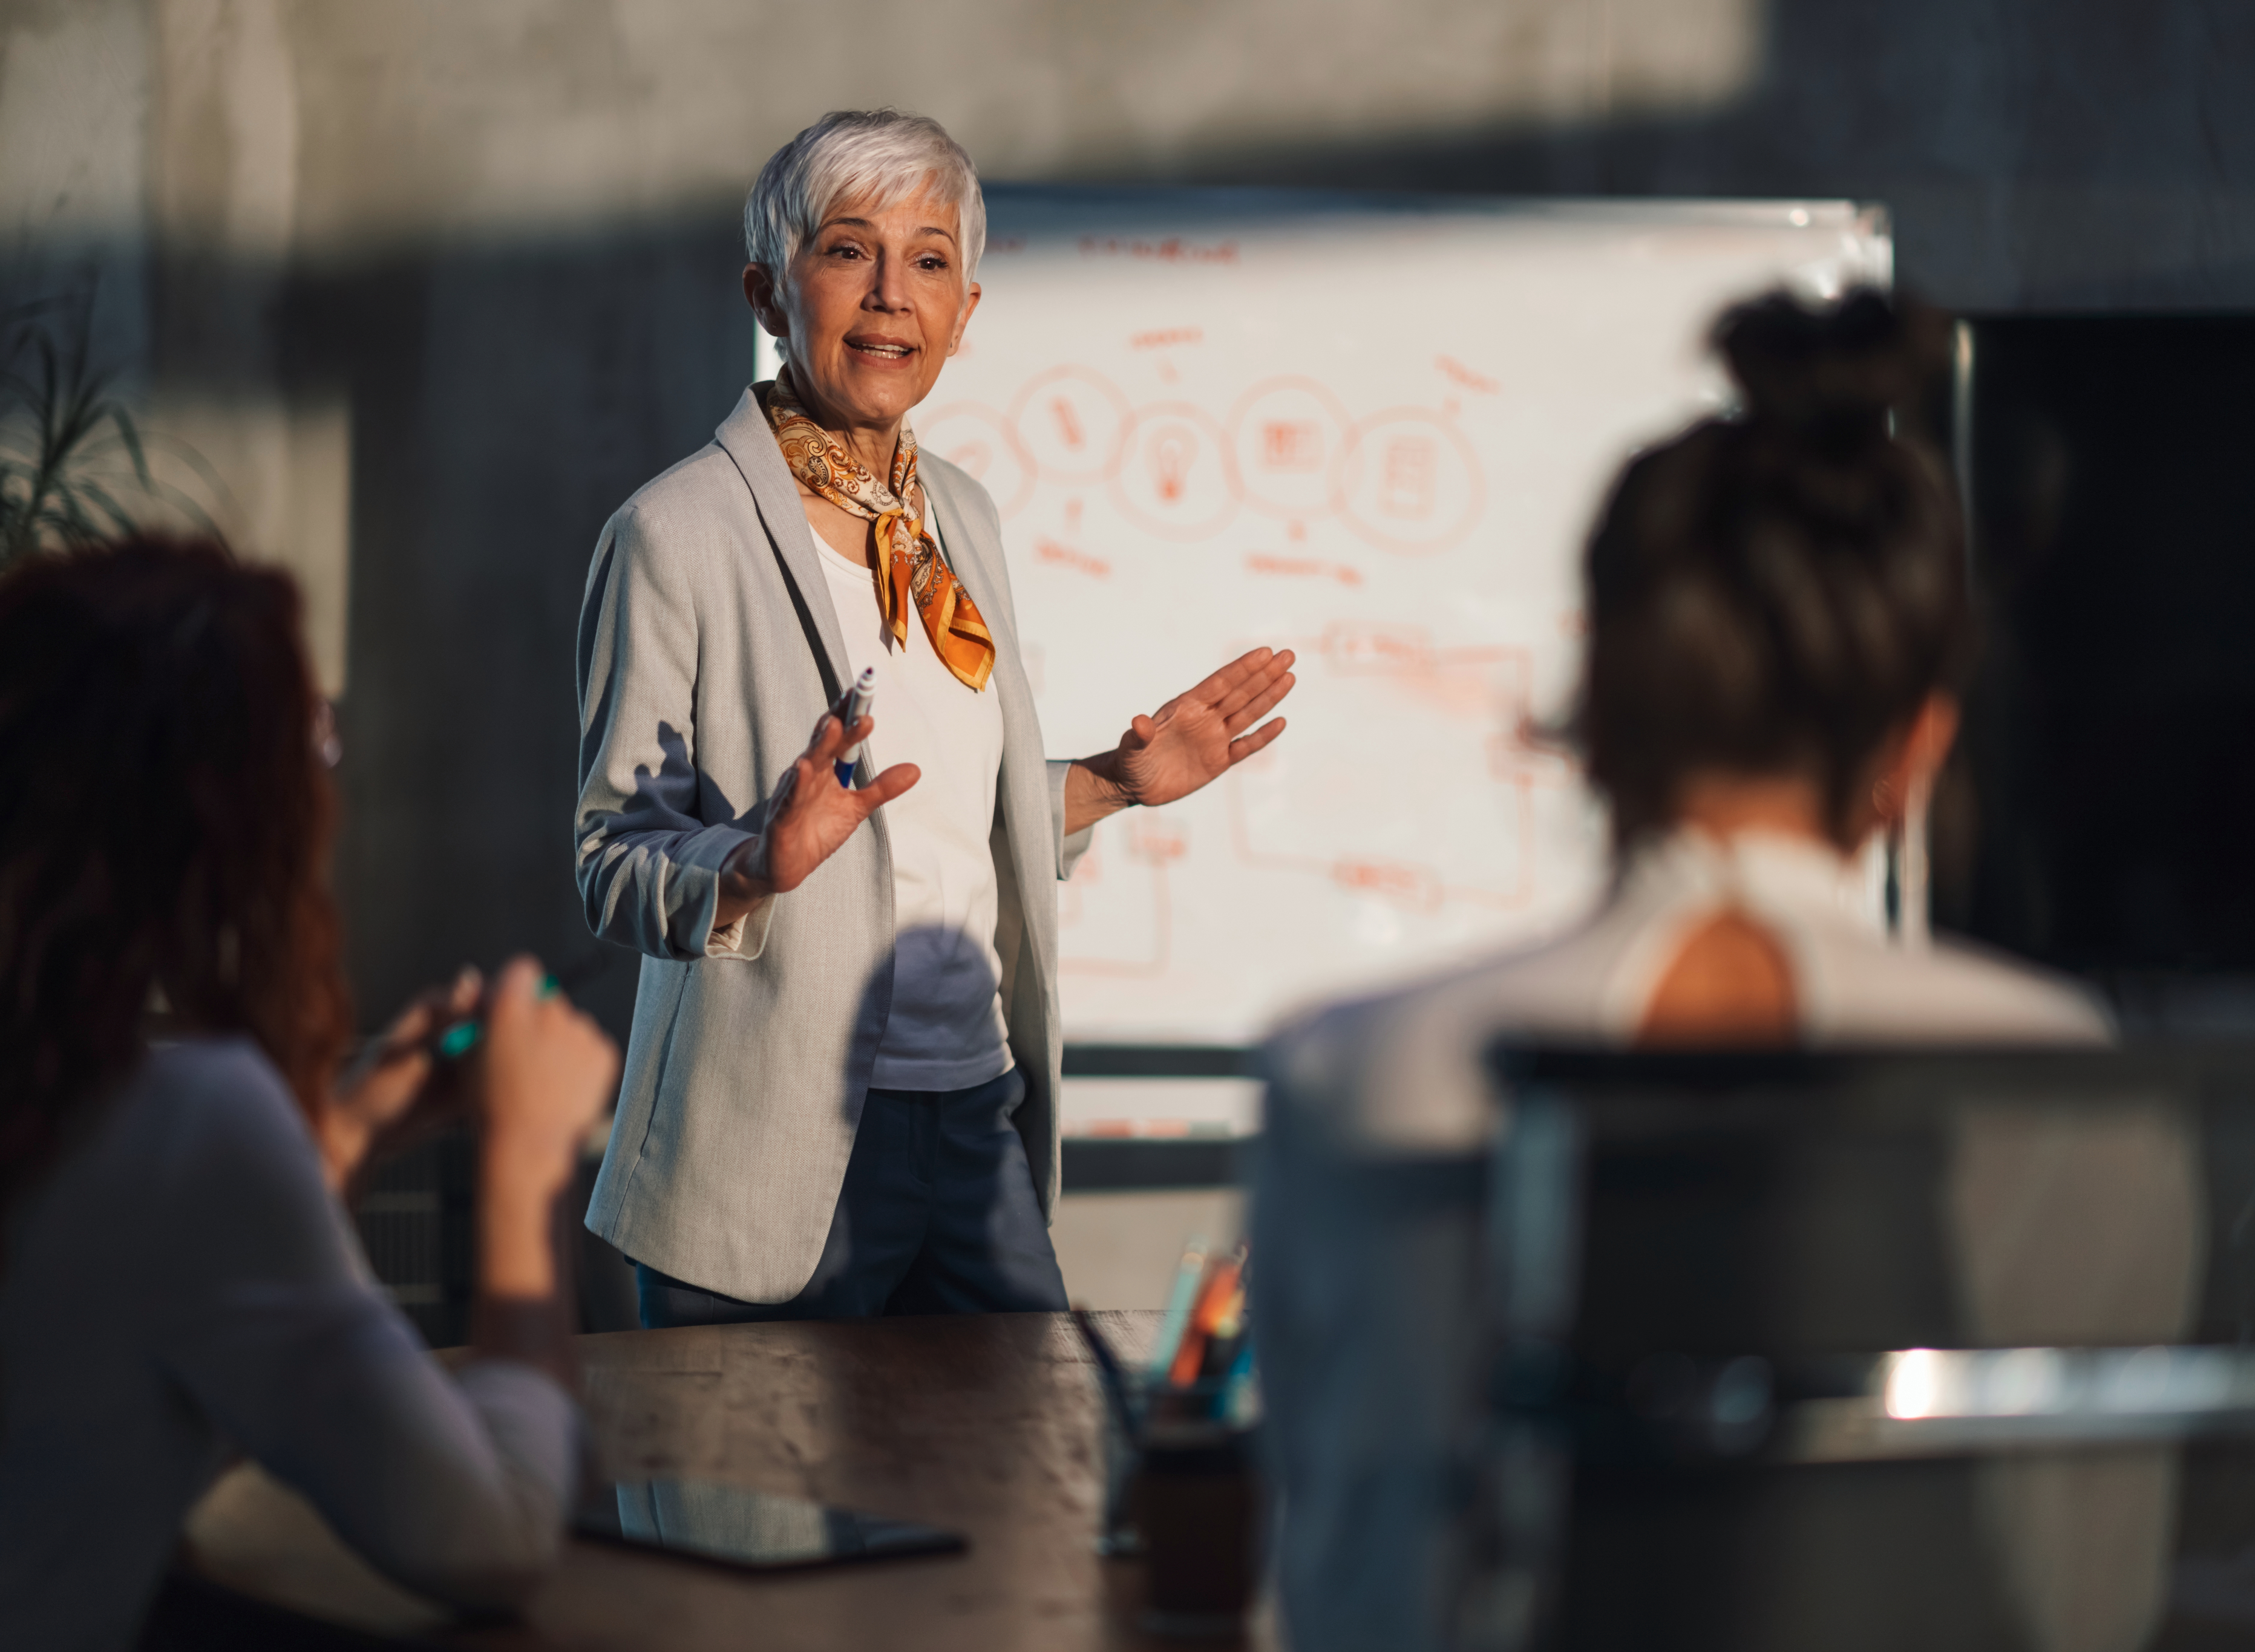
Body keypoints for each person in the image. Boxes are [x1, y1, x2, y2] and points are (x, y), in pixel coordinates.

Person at [1250, 291, 2196, 1652]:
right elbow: (2075, 1602)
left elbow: (1345, 1589)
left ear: (1596, 717)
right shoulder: (2062, 1077)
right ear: (1917, 748)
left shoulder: (1355, 1067)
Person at [574, 108, 1293, 1327]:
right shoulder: (673, 532)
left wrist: (1113, 780)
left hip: (974, 1123)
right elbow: (609, 864)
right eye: (847, 250)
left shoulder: (957, 516)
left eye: (928, 259)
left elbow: (951, 819)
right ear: (767, 290)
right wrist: (749, 863)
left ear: (966, 311)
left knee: (1029, 1504)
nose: (890, 295)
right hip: (765, 1150)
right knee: (749, 1515)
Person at [0, 538, 621, 1648]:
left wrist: (356, 1122)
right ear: (225, 813)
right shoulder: (193, 1121)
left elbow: (133, 1273)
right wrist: (525, 1162)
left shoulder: (84, 1090)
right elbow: (491, 1539)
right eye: (311, 746)